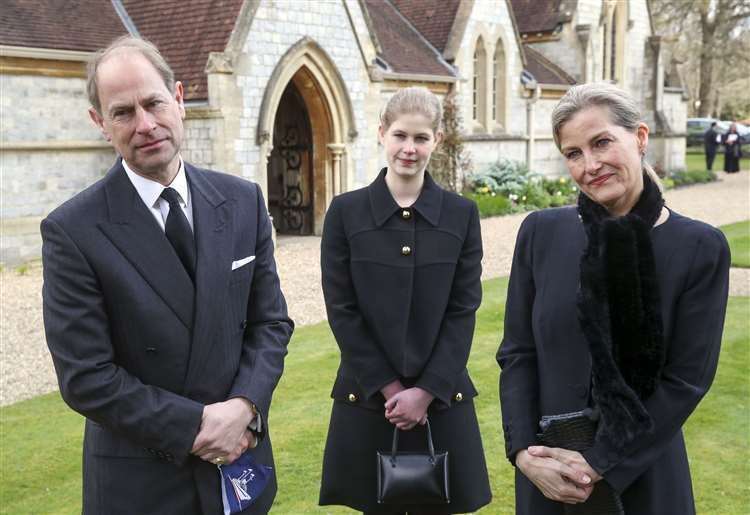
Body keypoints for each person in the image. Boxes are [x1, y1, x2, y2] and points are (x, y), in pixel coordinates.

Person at [41, 36, 293, 514]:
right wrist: (197, 427)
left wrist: (245, 409)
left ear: (178, 98)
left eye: (154, 102)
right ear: (100, 123)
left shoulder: (242, 201)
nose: (145, 124)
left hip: (240, 466)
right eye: (122, 112)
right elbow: (86, 377)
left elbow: (271, 324)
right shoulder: (72, 230)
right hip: (143, 484)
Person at [497, 83, 730, 514]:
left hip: (643, 477)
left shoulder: (699, 246)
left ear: (640, 137)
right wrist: (524, 453)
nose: (591, 164)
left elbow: (686, 380)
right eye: (573, 153)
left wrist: (599, 463)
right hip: (548, 477)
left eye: (602, 142)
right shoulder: (541, 232)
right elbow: (518, 353)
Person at [318, 87, 492, 514]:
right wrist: (392, 389)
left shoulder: (461, 214)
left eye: (421, 138)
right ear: (381, 134)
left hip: (442, 401)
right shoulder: (345, 212)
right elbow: (342, 310)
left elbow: (462, 309)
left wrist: (427, 391)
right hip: (369, 399)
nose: (409, 149)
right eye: (400, 136)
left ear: (437, 140)